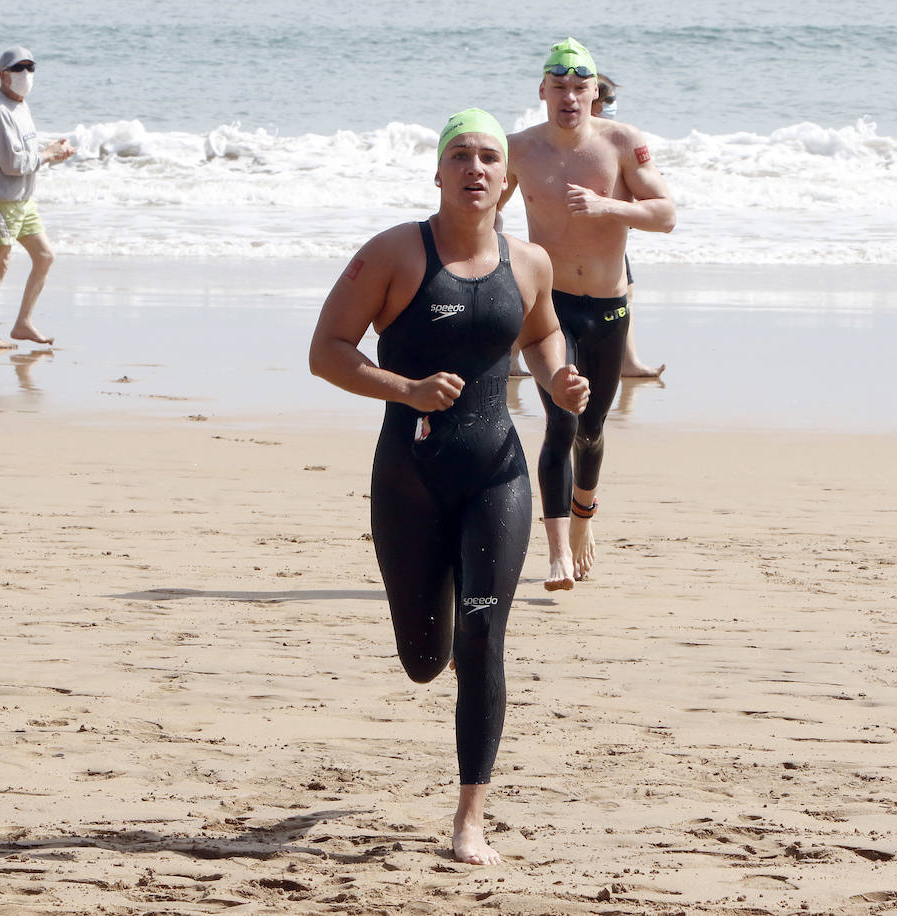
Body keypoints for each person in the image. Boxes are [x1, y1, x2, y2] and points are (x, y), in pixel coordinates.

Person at [309, 109, 588, 866]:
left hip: (495, 471)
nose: (475, 167)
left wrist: (558, 377)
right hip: (410, 478)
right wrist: (403, 388)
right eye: (459, 155)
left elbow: (540, 332)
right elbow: (326, 351)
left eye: (489, 157)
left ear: (507, 178)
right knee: (426, 659)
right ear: (438, 173)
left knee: (485, 636)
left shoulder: (528, 262)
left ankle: (470, 817)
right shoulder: (396, 254)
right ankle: (450, 645)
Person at [500, 38, 676, 589]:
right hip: (549, 308)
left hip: (605, 307)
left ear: (595, 93)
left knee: (592, 431)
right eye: (560, 88)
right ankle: (555, 555)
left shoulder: (622, 143)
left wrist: (608, 206)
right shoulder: (519, 149)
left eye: (580, 88)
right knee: (561, 420)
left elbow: (666, 213)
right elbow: (480, 210)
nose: (570, 98)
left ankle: (583, 517)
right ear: (542, 92)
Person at [0, 45, 73, 349]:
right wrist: (47, 155)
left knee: (44, 256)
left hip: (21, 199)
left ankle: (23, 323)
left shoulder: (20, 105)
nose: (25, 75)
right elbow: (11, 164)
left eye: (30, 68)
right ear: (3, 75)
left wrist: (53, 153)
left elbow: (26, 153)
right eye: (18, 69)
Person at [593, 73, 664, 379]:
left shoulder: (616, 137)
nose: (612, 106)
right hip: (587, 236)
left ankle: (629, 361)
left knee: (627, 292)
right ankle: (514, 354)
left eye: (613, 101)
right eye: (607, 100)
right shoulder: (587, 139)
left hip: (614, 229)